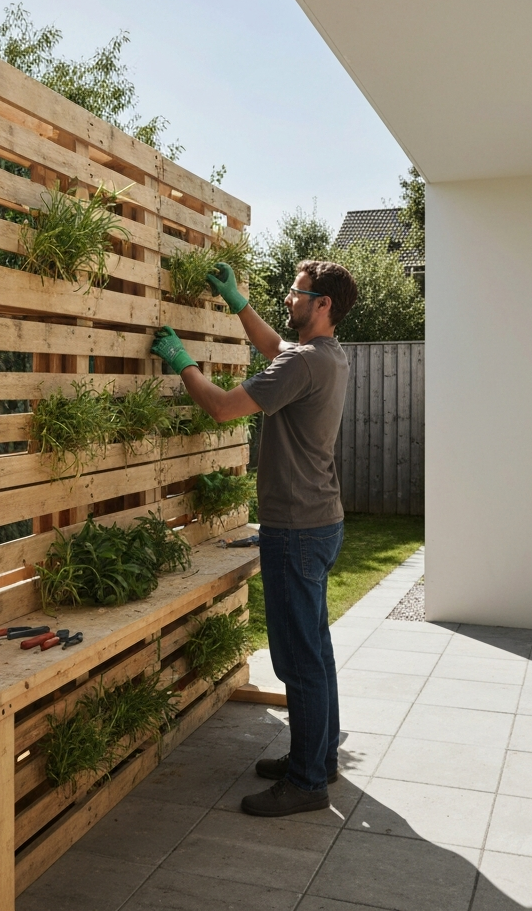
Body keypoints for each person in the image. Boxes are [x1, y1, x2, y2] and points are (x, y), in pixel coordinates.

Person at [151, 258, 358, 816]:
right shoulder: (325, 356)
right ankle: (315, 761)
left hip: (296, 527)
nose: (289, 299)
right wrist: (238, 302)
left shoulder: (307, 363)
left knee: (299, 661)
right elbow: (277, 353)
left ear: (324, 305)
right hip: (320, 522)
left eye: (297, 293)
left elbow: (221, 409)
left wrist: (183, 364)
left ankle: (308, 782)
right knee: (316, 651)